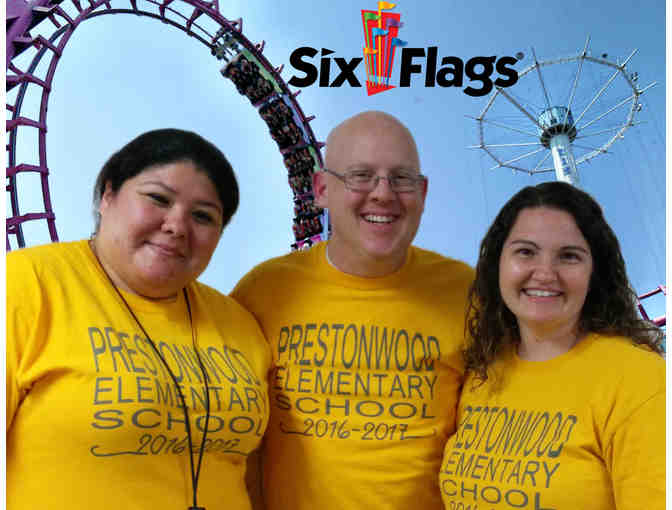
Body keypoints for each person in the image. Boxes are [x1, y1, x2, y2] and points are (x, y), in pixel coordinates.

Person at [6, 129, 271, 510]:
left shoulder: (239, 324)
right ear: (108, 196)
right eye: (158, 199)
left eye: (203, 216)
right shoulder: (24, 284)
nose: (177, 226)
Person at [232, 111, 475, 510]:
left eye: (401, 178)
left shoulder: (470, 294)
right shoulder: (262, 291)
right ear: (321, 189)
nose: (383, 194)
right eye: (360, 176)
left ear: (423, 193)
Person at [439, 181, 665, 510]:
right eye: (526, 252)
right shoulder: (479, 372)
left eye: (569, 256)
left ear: (595, 272)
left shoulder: (639, 379)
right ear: (497, 265)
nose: (545, 273)